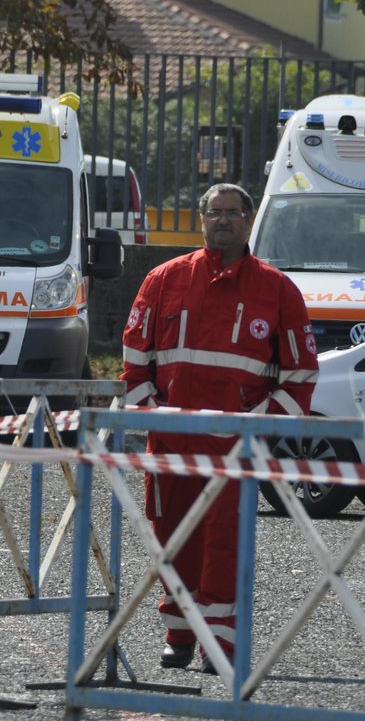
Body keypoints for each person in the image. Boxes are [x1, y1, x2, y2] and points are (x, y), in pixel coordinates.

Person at [122, 182, 319, 675]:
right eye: (215, 213)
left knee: (223, 545)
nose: (223, 221)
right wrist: (152, 417)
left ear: (249, 221)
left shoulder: (277, 290)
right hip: (169, 444)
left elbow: (300, 376)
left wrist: (256, 431)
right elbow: (133, 363)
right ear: (202, 219)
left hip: (234, 451)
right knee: (170, 540)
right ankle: (179, 635)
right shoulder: (162, 279)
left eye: (233, 213)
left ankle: (221, 643)